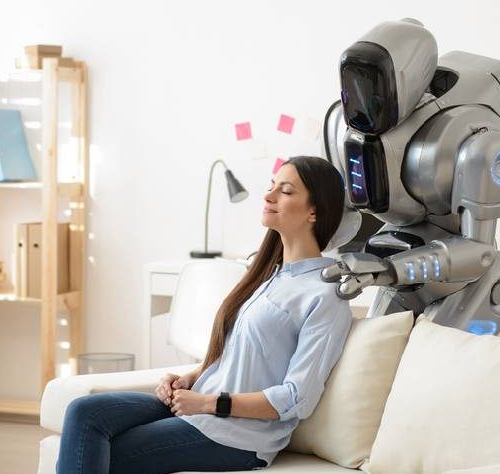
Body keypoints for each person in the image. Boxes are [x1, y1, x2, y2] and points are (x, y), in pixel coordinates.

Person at [56, 156, 353, 473]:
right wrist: (190, 378)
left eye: (286, 190)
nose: (268, 196)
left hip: (236, 436)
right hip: (199, 409)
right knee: (83, 412)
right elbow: (239, 356)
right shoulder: (270, 277)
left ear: (314, 211)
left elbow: (296, 399)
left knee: (94, 450)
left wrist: (210, 403)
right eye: (271, 186)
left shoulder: (325, 296)